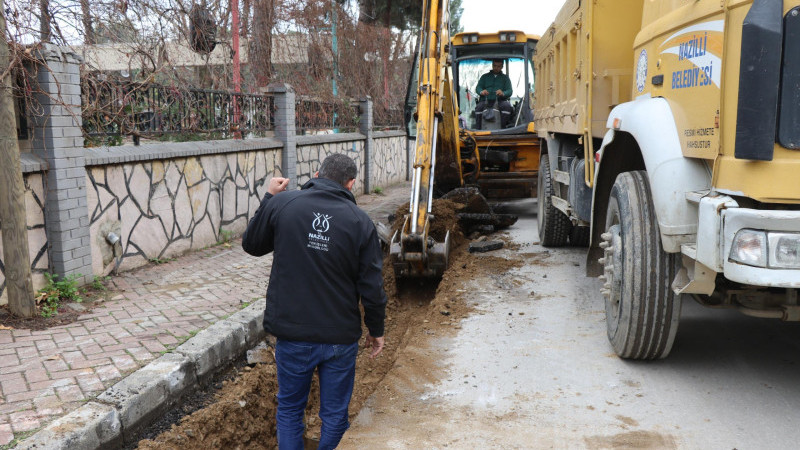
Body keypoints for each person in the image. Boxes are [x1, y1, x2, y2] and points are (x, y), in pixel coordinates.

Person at [242, 153, 387, 450]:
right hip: (339, 338)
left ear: (317, 173)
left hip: (293, 335)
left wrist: (269, 197)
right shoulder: (361, 222)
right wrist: (376, 329)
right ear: (351, 183)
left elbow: (252, 245)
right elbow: (372, 286)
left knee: (291, 410)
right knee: (334, 415)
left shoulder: (285, 204)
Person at [475, 59, 514, 129]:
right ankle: (478, 129)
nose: (496, 68)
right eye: (495, 66)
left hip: (500, 101)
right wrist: (482, 91)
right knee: (479, 107)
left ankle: (503, 129)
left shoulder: (505, 78)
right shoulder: (484, 77)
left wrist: (503, 93)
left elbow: (509, 91)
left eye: (498, 66)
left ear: (502, 67)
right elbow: (478, 88)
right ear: (492, 65)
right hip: (485, 101)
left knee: (507, 106)